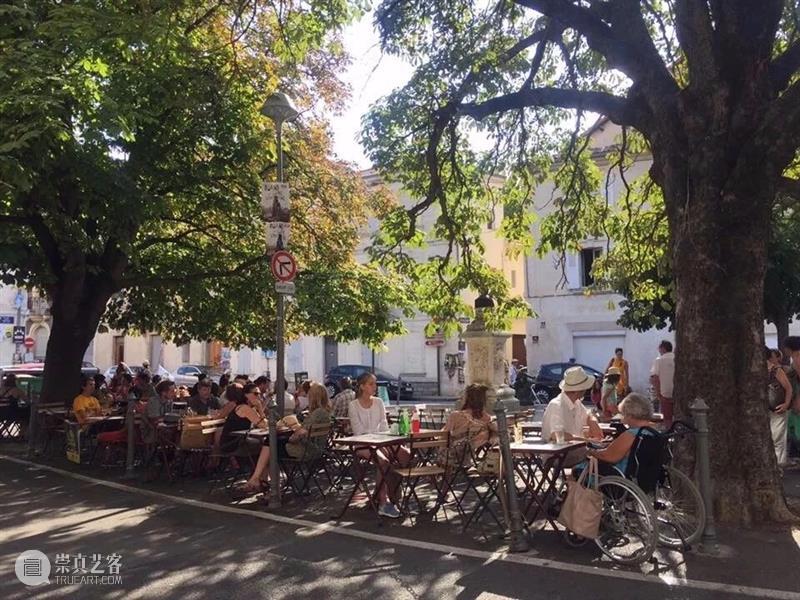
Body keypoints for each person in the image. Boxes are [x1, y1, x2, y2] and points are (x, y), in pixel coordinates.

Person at [243, 382, 332, 493]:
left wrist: (292, 436)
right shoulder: (326, 412)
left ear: (313, 397)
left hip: (305, 450)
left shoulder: (317, 413)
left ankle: (267, 485)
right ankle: (263, 482)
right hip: (316, 450)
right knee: (270, 445)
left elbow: (299, 434)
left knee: (270, 446)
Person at [349, 372, 406, 518]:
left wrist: (384, 439)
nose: (375, 387)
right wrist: (379, 439)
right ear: (362, 387)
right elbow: (359, 431)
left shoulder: (379, 402)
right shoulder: (353, 405)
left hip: (381, 440)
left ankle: (394, 492)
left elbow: (384, 426)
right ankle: (383, 502)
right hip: (362, 444)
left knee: (406, 454)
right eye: (371, 384)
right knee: (383, 461)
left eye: (375, 383)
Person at [582, 393, 658, 477]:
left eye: (623, 414)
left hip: (622, 475)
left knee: (579, 468)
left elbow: (608, 456)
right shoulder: (654, 431)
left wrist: (588, 451)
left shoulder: (632, 434)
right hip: (646, 476)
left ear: (629, 415)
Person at [541, 366, 603, 444]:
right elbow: (557, 435)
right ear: (578, 391)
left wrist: (593, 421)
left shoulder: (576, 402)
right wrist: (587, 441)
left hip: (573, 452)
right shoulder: (556, 405)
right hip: (559, 455)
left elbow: (588, 415)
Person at [440, 383, 498, 465]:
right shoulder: (487, 419)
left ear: (467, 398)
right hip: (468, 450)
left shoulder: (455, 416)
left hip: (451, 454)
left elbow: (444, 436)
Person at [218, 383, 267, 459]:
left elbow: (264, 424)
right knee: (266, 445)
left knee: (266, 444)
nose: (259, 397)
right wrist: (260, 408)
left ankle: (260, 469)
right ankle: (259, 469)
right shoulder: (244, 408)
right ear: (246, 395)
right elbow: (264, 425)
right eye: (256, 394)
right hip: (231, 443)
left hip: (239, 440)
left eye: (259, 394)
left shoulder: (249, 408)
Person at [768, 347, 793, 467]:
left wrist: (786, 404)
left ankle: (779, 465)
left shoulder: (777, 371)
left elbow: (788, 388)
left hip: (777, 408)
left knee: (777, 438)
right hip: (767, 410)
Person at [650, 340, 675, 427]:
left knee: (668, 419)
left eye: (659, 348)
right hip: (679, 393)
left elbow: (654, 378)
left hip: (665, 393)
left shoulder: (659, 360)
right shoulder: (678, 359)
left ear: (663, 349)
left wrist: (658, 394)